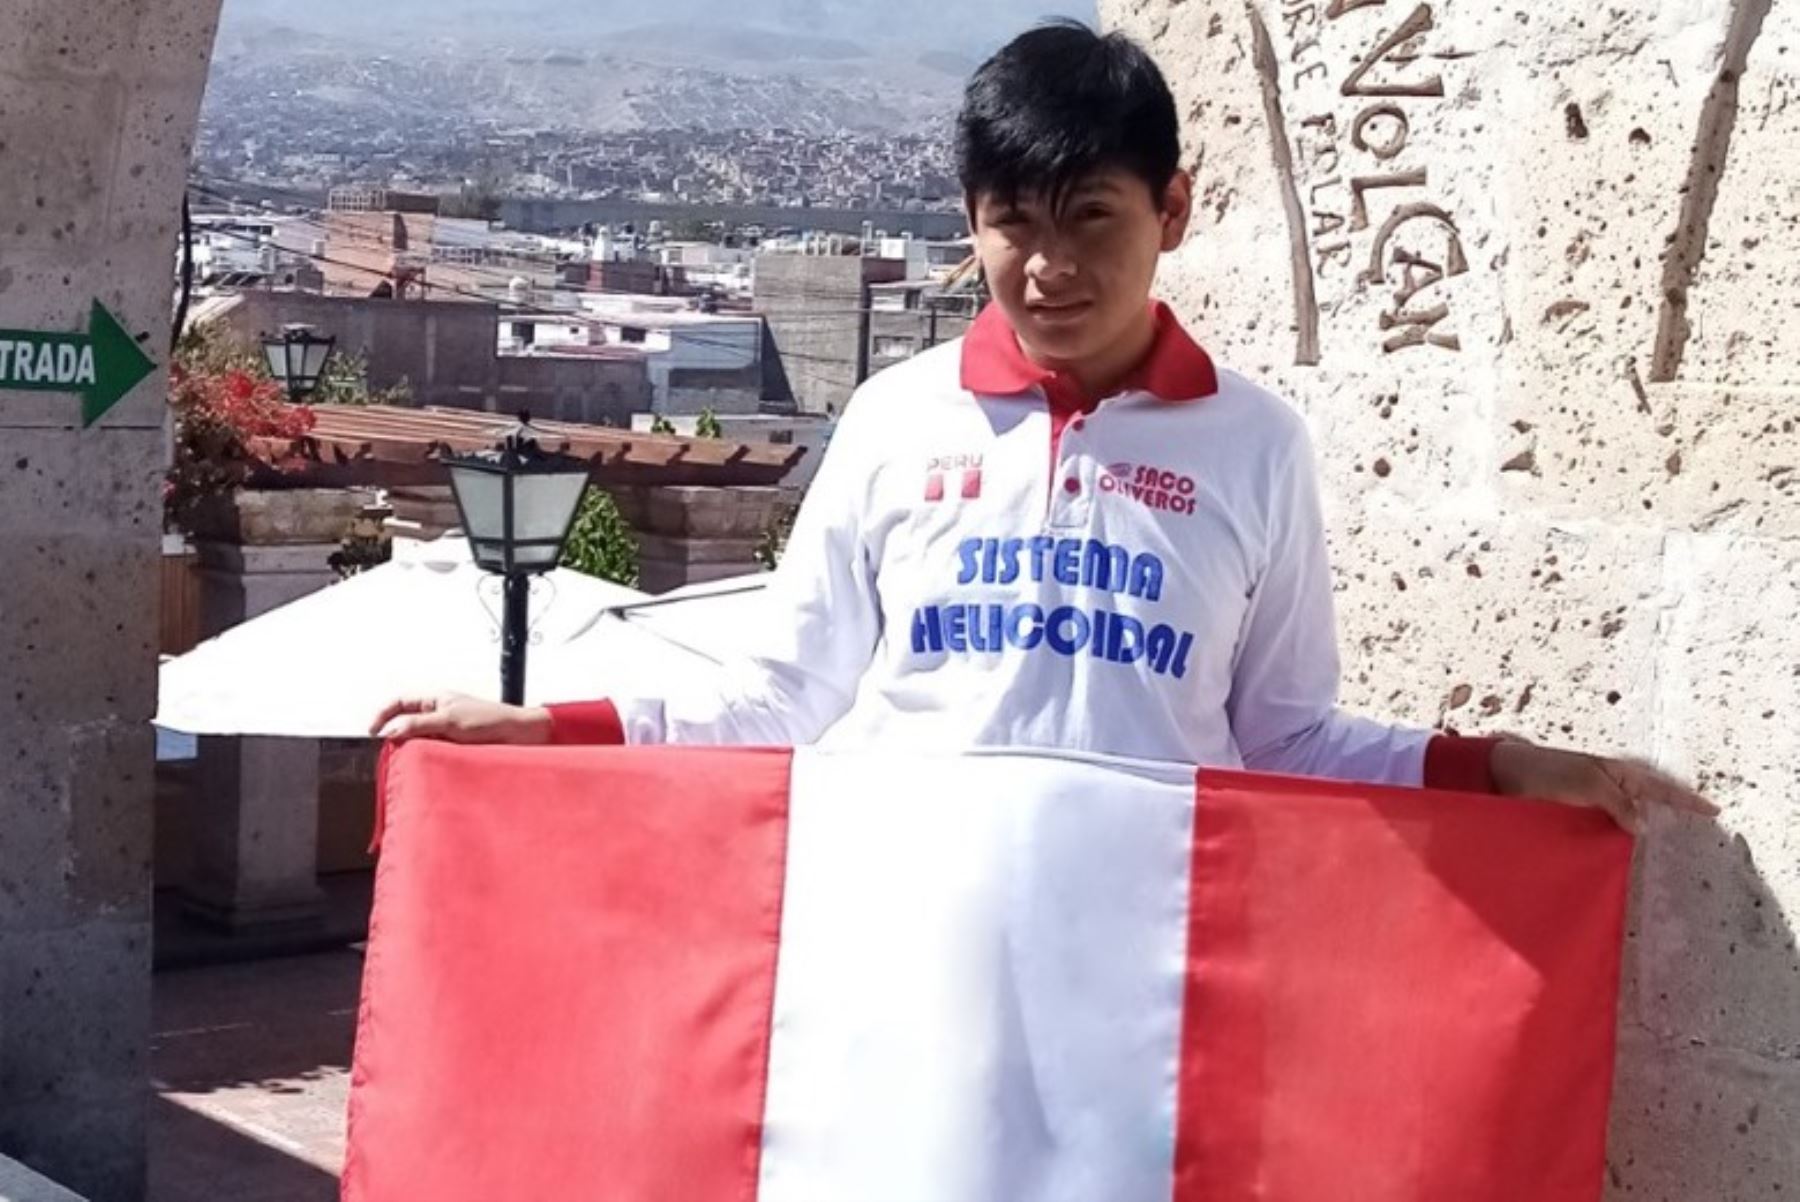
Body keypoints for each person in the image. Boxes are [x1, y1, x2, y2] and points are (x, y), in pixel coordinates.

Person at [375, 22, 1713, 834]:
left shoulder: (1257, 445)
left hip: (1145, 970)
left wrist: (1493, 765)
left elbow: (1287, 734)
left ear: (1172, 213)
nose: (1049, 266)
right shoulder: (896, 421)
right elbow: (785, 691)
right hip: (912, 947)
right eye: (1015, 220)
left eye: (1093, 220)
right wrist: (550, 727)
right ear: (970, 221)